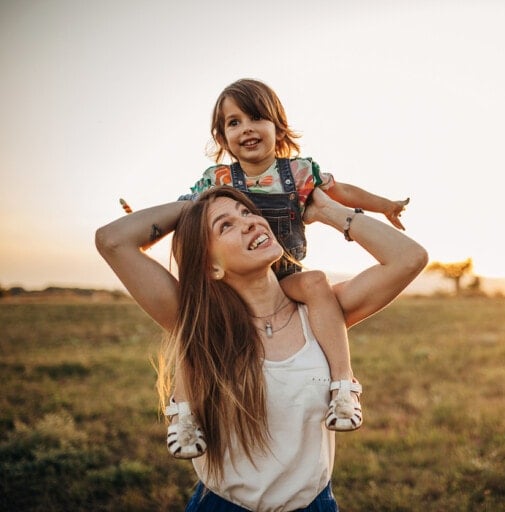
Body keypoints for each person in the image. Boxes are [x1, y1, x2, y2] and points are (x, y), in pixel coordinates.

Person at [95, 186, 427, 510]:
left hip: (315, 505)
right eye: (226, 225)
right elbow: (112, 240)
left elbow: (409, 258)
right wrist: (197, 203)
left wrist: (328, 211)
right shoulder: (197, 321)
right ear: (212, 266)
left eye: (248, 211)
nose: (250, 221)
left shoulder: (322, 311)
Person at [171, 79, 410, 452]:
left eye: (256, 118)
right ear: (222, 137)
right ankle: (183, 415)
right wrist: (144, 223)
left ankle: (344, 385)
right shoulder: (217, 181)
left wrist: (385, 205)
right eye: (233, 123)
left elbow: (341, 191)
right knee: (196, 320)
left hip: (284, 276)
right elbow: (183, 213)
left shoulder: (297, 173)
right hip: (234, 283)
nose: (246, 128)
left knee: (316, 282)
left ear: (278, 127)